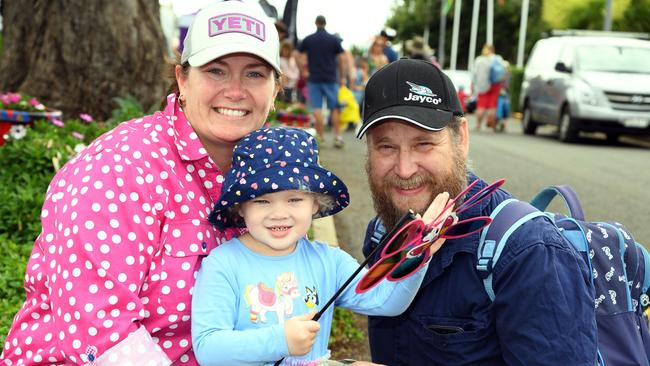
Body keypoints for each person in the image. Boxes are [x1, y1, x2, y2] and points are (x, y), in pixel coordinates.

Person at [0, 2, 283, 364]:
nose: (236, 90)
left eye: (255, 74)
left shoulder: (269, 174)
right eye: (216, 70)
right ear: (182, 79)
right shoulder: (119, 168)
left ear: (275, 90)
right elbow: (102, 334)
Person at [355, 58, 598, 365]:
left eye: (424, 144)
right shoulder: (383, 234)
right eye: (386, 147)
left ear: (462, 139)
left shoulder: (530, 254)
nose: (404, 169)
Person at [191, 127, 449, 365]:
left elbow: (386, 301)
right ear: (240, 207)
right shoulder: (223, 264)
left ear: (316, 203)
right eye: (262, 201)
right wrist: (280, 340)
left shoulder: (329, 261)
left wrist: (416, 255)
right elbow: (209, 348)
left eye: (294, 199)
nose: (279, 213)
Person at [297, 15, 346, 148]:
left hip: (314, 78)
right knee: (335, 108)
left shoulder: (309, 39)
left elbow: (298, 55)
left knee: (317, 108)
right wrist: (342, 76)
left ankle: (321, 138)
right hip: (331, 79)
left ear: (316, 23)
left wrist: (303, 71)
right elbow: (341, 59)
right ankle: (337, 137)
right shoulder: (334, 39)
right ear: (325, 23)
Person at [471, 43, 505, 131]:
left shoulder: (479, 60)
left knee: (481, 106)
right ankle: (492, 125)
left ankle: (478, 125)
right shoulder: (497, 58)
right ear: (493, 50)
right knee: (493, 106)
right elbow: (504, 72)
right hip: (495, 85)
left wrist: (473, 84)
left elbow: (474, 74)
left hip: (483, 85)